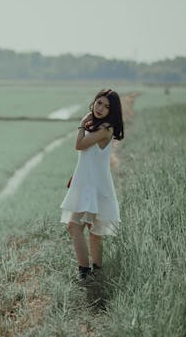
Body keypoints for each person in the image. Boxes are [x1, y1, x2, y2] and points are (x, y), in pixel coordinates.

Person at [60, 88, 124, 282]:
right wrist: (76, 176)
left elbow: (79, 145)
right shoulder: (98, 126)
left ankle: (84, 271)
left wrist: (81, 124)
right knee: (92, 230)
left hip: (94, 186)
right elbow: (90, 157)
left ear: (112, 112)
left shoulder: (105, 128)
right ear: (94, 102)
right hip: (87, 182)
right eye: (99, 103)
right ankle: (96, 271)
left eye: (106, 106)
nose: (101, 108)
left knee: (74, 226)